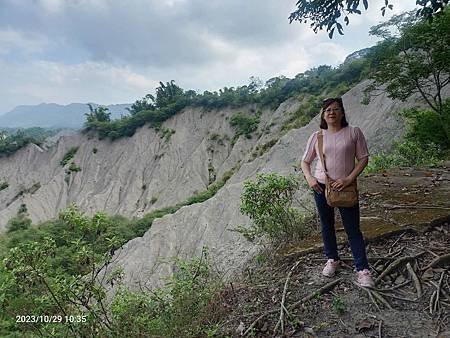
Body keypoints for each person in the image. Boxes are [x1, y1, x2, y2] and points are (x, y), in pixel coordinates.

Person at [300, 97, 375, 287]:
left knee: (352, 229)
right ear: (323, 115)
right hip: (321, 187)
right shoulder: (317, 136)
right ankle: (332, 259)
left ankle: (362, 269)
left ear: (342, 112)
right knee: (327, 225)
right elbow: (305, 161)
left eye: (335, 109)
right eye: (327, 110)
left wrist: (349, 179)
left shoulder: (353, 133)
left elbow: (363, 158)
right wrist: (310, 178)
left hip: (346, 187)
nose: (331, 112)